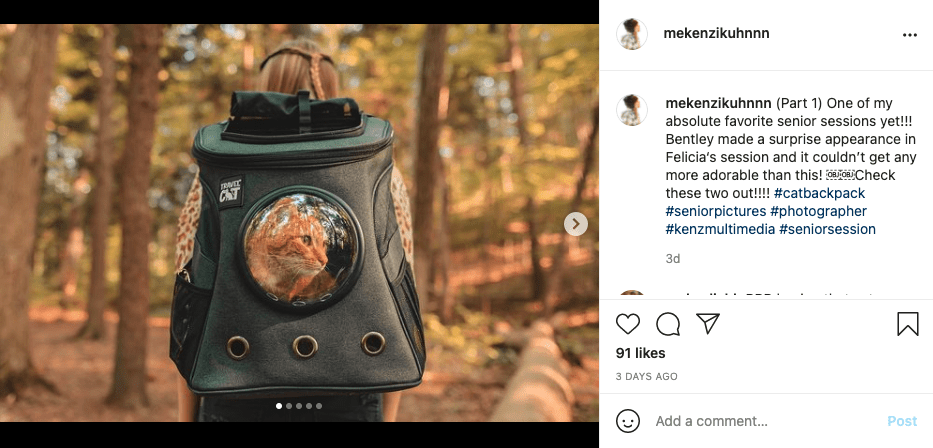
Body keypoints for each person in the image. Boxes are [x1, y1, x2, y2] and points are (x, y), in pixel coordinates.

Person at [174, 37, 413, 422]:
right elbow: (399, 287)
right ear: (331, 91)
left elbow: (191, 295)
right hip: (350, 386)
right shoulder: (374, 171)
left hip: (234, 382)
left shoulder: (219, 169)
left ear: (266, 90)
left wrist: (186, 416)